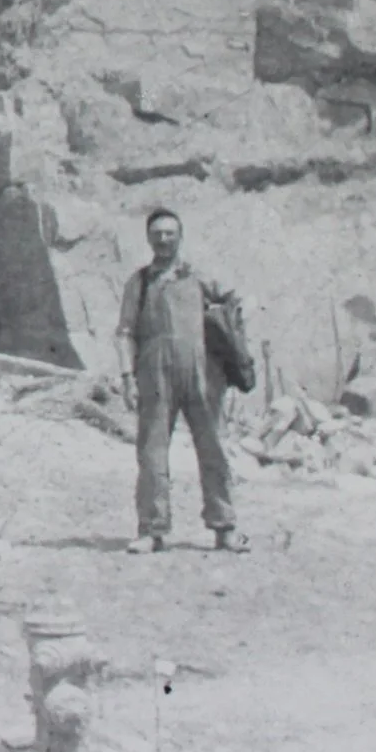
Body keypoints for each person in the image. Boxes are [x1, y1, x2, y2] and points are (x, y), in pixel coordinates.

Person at [117, 207, 247, 554]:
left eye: (169, 233)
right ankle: (151, 530)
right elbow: (125, 332)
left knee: (213, 450)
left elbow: (233, 305)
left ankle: (225, 527)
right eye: (157, 234)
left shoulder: (200, 277)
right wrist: (128, 377)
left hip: (202, 377)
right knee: (152, 454)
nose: (163, 239)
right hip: (154, 376)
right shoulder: (139, 283)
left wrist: (230, 354)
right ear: (148, 238)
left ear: (180, 237)